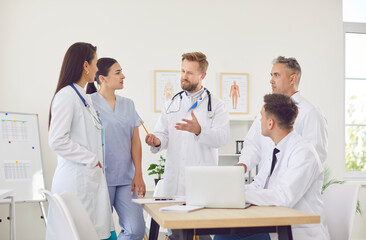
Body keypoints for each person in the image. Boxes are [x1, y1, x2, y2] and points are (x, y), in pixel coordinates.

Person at [215, 94, 330, 240]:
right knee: (223, 235)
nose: (259, 121)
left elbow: (283, 197)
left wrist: (238, 195)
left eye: (261, 117)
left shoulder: (304, 152)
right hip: (275, 225)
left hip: (297, 231)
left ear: (270, 123)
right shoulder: (274, 150)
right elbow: (258, 185)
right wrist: (227, 191)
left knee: (225, 237)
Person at [145, 52, 230, 240]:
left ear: (202, 76)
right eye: (183, 71)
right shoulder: (171, 104)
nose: (184, 76)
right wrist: (157, 140)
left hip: (201, 182)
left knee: (203, 232)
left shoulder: (216, 106)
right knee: (176, 234)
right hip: (174, 181)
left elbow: (222, 138)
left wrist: (200, 130)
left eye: (190, 73)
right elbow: (163, 135)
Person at [47, 42, 115, 239]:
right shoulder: (66, 96)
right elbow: (57, 140)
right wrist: (91, 159)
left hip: (87, 180)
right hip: (76, 181)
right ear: (85, 65)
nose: (97, 68)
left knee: (92, 231)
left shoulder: (83, 97)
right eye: (95, 63)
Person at [86, 57, 146, 240]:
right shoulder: (88, 102)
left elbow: (135, 141)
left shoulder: (128, 104)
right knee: (99, 232)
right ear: (102, 78)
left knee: (136, 229)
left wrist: (138, 173)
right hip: (100, 177)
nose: (123, 76)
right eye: (118, 73)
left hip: (127, 179)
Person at [237, 56, 328, 173]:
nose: (271, 80)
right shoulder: (267, 110)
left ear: (292, 79)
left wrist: (288, 179)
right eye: (271, 75)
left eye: (276, 75)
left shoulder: (311, 112)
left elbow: (316, 156)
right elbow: (253, 144)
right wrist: (242, 165)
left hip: (294, 187)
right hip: (268, 185)